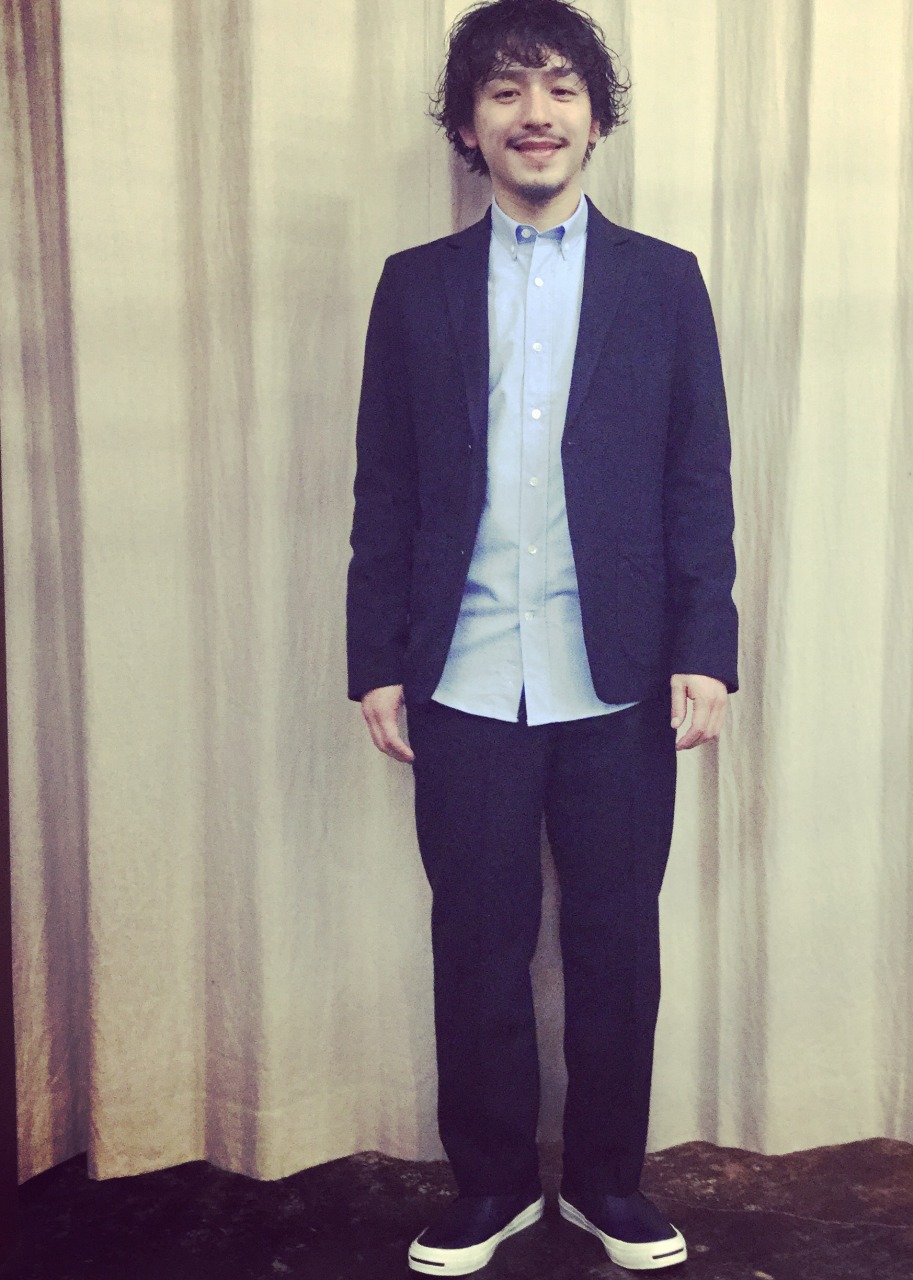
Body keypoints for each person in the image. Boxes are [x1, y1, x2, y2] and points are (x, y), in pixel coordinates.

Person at [346, 0, 737, 1272]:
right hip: (462, 674)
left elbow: (697, 477)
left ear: (594, 118)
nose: (535, 112)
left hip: (618, 675)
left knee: (616, 941)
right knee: (476, 940)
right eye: (506, 90)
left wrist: (705, 644)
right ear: (468, 125)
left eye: (561, 87)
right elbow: (386, 487)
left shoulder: (662, 281)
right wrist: (377, 659)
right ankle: (494, 1185)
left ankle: (608, 1183)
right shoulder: (413, 286)